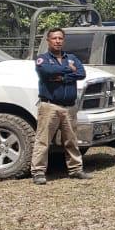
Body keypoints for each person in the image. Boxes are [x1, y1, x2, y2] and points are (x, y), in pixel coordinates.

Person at [30, 27, 87, 185]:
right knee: (43, 140)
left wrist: (61, 77)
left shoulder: (72, 57)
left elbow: (81, 73)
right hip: (50, 106)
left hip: (69, 107)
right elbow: (47, 72)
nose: (57, 41)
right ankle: (38, 172)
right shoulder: (42, 58)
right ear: (48, 40)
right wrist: (69, 70)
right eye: (54, 38)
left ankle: (75, 169)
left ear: (64, 40)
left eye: (60, 38)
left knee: (71, 140)